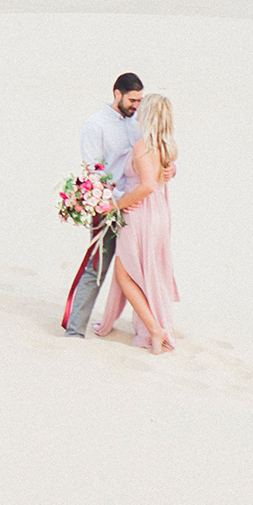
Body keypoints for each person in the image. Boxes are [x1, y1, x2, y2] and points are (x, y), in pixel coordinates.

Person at [92, 92, 180, 351]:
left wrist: (116, 206)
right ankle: (151, 326)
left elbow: (147, 186)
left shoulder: (143, 146)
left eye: (144, 105)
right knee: (142, 271)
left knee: (124, 274)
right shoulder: (166, 146)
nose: (138, 108)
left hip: (140, 215)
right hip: (158, 215)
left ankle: (154, 329)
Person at [62, 73, 146, 336]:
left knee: (140, 267)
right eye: (132, 100)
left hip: (136, 205)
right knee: (98, 266)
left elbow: (151, 153)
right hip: (108, 206)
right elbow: (93, 170)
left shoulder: (137, 124)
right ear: (117, 93)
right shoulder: (95, 125)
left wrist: (171, 169)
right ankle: (74, 330)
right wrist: (113, 201)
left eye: (140, 100)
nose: (136, 106)